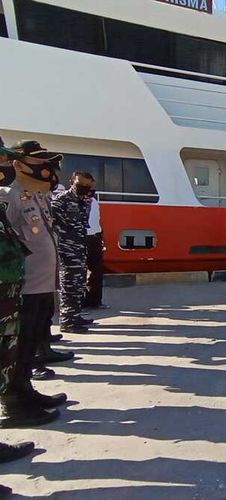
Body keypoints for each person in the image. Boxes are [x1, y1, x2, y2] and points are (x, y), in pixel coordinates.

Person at [0, 140, 69, 427]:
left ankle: (26, 390)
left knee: (30, 342)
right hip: (22, 287)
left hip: (41, 285)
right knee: (19, 343)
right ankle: (15, 400)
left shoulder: (35, 196)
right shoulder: (9, 196)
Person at [51, 171, 94, 333]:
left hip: (79, 249)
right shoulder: (61, 200)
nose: (84, 188)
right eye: (80, 184)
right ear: (72, 182)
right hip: (66, 249)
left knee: (78, 285)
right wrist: (64, 242)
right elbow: (54, 224)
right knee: (69, 285)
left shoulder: (82, 201)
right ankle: (67, 321)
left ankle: (75, 316)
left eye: (87, 185)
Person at [82, 178, 107, 309]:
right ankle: (80, 303)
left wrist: (101, 236)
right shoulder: (74, 201)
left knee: (96, 271)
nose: (91, 189)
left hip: (94, 238)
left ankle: (95, 301)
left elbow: (96, 221)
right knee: (79, 271)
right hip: (80, 238)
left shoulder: (95, 202)